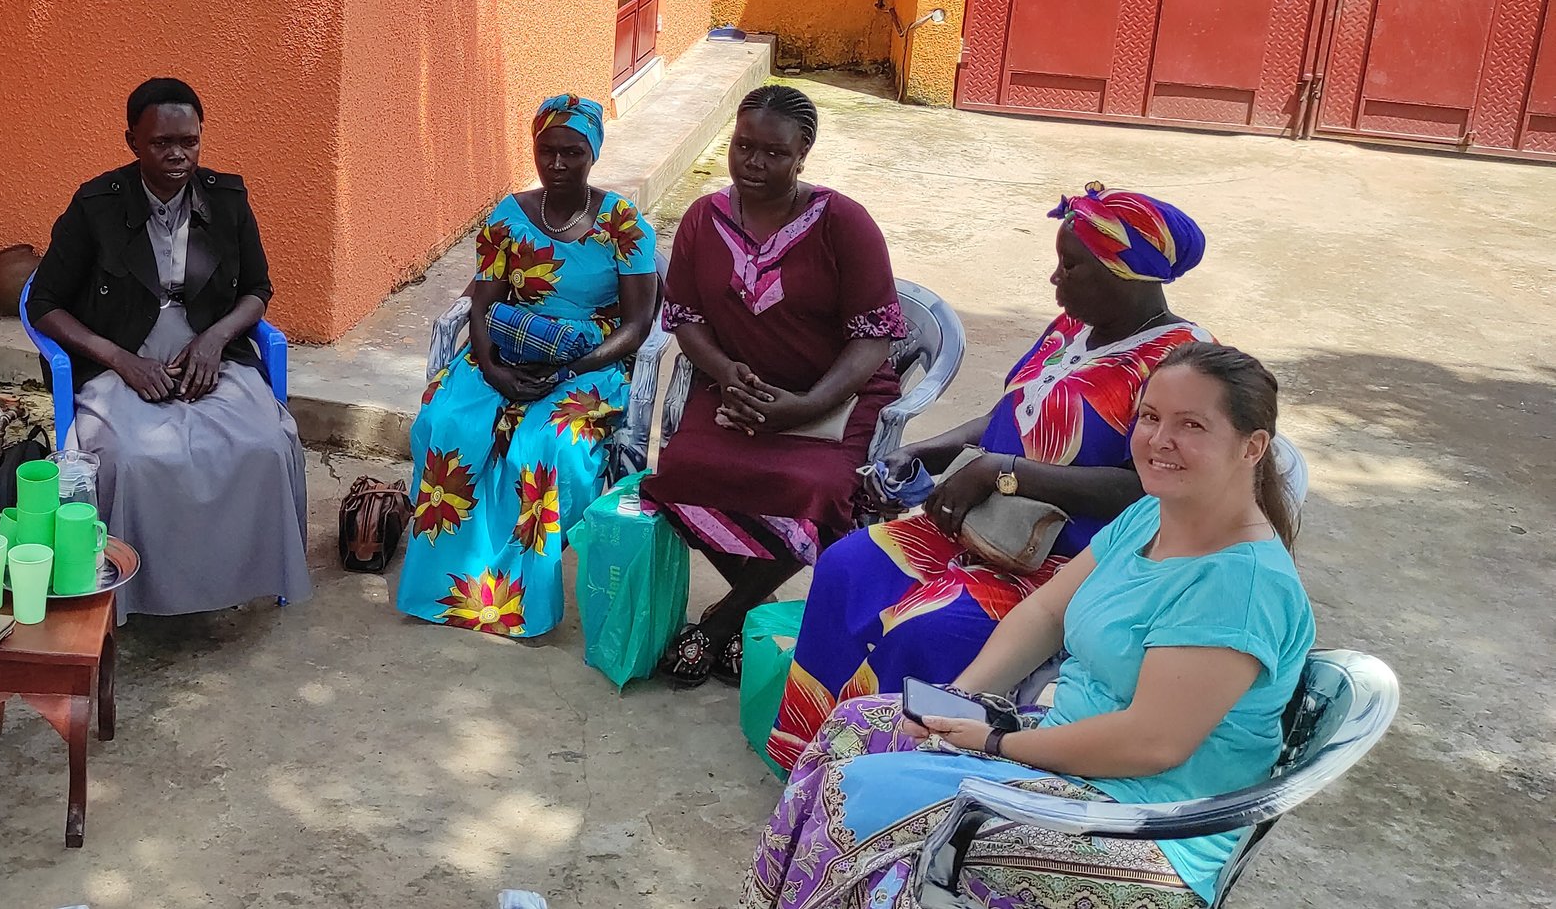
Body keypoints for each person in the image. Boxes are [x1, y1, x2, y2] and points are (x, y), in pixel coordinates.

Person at [746, 342, 1311, 909]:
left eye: (1192, 425)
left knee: (860, 803)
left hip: (1143, 821)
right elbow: (1046, 611)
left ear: (1251, 447)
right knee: (853, 728)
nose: (1160, 440)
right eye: (1150, 417)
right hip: (1066, 751)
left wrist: (1000, 741)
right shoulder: (1151, 514)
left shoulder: (1240, 585)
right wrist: (957, 698)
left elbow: (1152, 742)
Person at [768, 185, 1210, 768]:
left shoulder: (1180, 364)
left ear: (1124, 272)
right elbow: (1011, 414)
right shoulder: (1071, 329)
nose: (1056, 278)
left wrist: (1004, 473)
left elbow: (1148, 487)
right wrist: (931, 449)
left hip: (1059, 560)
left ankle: (887, 772)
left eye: (1071, 265)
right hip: (980, 522)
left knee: (925, 631)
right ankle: (812, 750)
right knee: (846, 567)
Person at [640, 85, 904, 686]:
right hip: (739, 391)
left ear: (803, 153)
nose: (754, 164)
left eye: (773, 153)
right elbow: (686, 319)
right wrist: (724, 371)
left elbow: (874, 337)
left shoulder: (843, 222)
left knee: (816, 490)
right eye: (743, 147)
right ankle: (751, 614)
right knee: (680, 475)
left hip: (835, 397)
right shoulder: (703, 220)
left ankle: (721, 618)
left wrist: (807, 405)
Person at [26, 78, 311, 616]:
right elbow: (44, 303)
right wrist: (119, 360)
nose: (178, 155)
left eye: (190, 141)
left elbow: (257, 290)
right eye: (161, 143)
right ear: (132, 141)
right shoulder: (95, 207)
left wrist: (216, 339)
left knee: (267, 446)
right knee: (129, 459)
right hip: (119, 361)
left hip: (211, 356)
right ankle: (135, 593)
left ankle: (240, 576)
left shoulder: (226, 200)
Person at [396, 94, 658, 638]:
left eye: (572, 152)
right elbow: (482, 304)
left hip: (590, 363)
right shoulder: (509, 216)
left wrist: (570, 369)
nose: (558, 164)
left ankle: (518, 602)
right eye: (547, 151)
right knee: (448, 424)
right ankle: (450, 589)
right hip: (505, 350)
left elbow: (637, 326)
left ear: (594, 153)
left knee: (546, 446)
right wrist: (492, 370)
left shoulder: (623, 225)